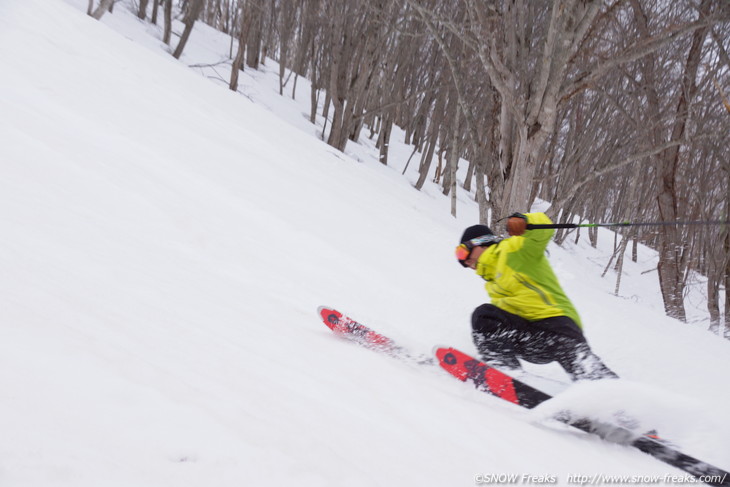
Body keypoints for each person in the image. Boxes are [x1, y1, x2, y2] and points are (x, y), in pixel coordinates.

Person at [455, 212, 618, 381]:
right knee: (484, 316)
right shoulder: (492, 281)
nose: (463, 262)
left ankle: (613, 394)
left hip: (556, 325)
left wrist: (525, 222)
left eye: (462, 252)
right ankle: (504, 371)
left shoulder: (514, 249)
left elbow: (542, 233)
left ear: (480, 243)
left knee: (573, 355)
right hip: (529, 338)